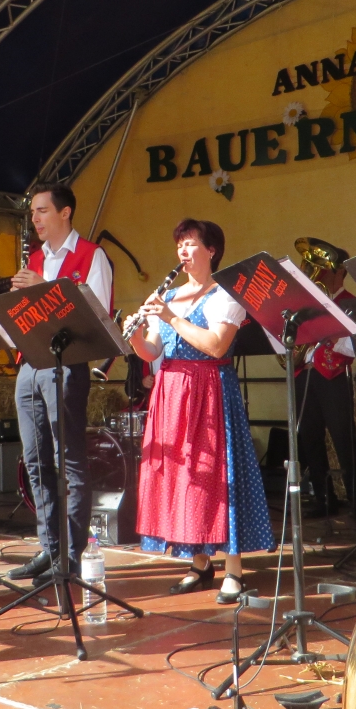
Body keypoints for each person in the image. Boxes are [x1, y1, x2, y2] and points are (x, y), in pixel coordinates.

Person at [129, 219, 275, 604]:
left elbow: (216, 345)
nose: (183, 250)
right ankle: (199, 564)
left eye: (191, 243)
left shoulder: (225, 294)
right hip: (172, 394)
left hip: (209, 392)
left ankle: (234, 571)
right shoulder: (170, 295)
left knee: (218, 477)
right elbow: (152, 350)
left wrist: (169, 317)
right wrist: (134, 334)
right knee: (185, 479)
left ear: (211, 250)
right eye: (180, 243)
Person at [7, 184, 113, 586]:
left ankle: (70, 555)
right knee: (35, 461)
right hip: (29, 365)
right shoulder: (35, 259)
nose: (34, 218)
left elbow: (96, 317)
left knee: (68, 460)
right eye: (33, 212)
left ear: (65, 213)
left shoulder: (91, 255)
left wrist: (43, 289)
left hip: (67, 366)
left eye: (42, 210)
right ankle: (49, 547)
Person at [294, 245, 356, 520]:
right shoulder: (306, 303)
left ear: (340, 272)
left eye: (325, 268)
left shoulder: (351, 303)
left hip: (333, 377)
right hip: (304, 373)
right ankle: (324, 498)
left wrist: (334, 337)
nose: (320, 273)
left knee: (343, 438)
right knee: (309, 438)